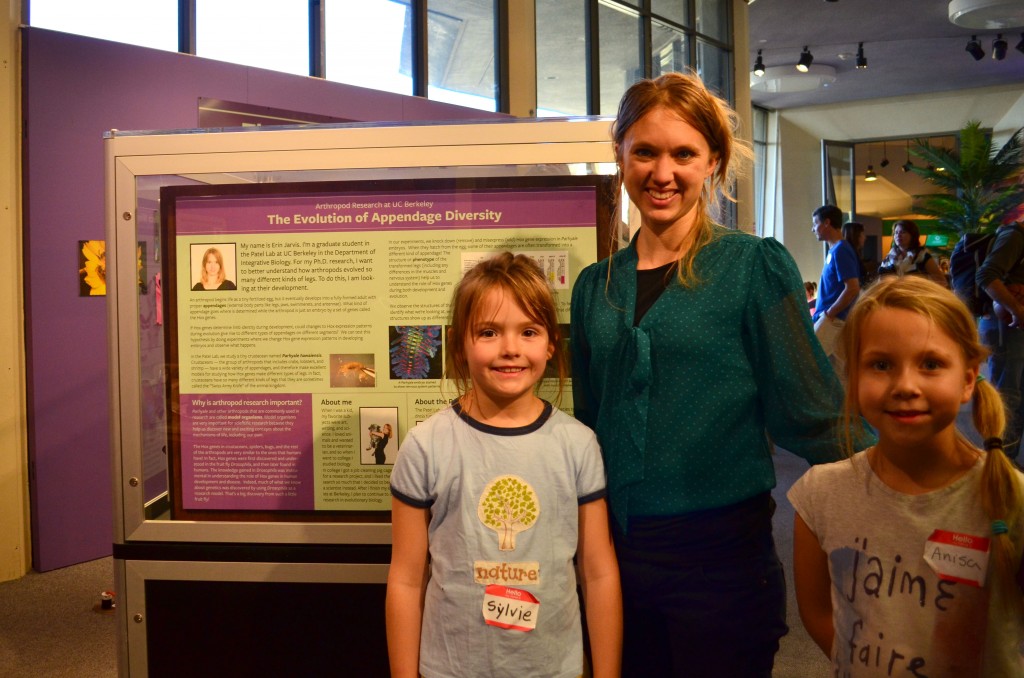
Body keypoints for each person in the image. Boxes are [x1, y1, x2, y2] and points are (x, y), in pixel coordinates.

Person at [570, 72, 860, 677]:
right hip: (616, 562)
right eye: (644, 151)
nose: (662, 172)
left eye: (684, 153)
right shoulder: (594, 288)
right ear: (619, 155)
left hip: (722, 564)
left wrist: (924, 474)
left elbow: (809, 411)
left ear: (713, 163)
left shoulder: (753, 266)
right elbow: (590, 429)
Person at [387, 252, 622, 678]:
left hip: (553, 668)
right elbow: (405, 579)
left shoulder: (578, 445)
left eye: (528, 331)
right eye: (489, 332)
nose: (510, 349)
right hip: (452, 669)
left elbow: (598, 571)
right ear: (460, 342)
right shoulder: (426, 446)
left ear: (551, 343)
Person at [788, 276, 1024, 676]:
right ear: (854, 376)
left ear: (968, 379)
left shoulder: (1008, 496)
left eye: (931, 364)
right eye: (881, 365)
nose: (905, 386)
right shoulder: (819, 495)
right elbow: (817, 612)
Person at [977, 219, 1024, 461]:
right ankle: (999, 463)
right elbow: (985, 275)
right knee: (1008, 396)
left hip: (1013, 328)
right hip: (1005, 327)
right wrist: (1016, 309)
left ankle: (1009, 461)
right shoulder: (1015, 236)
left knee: (1016, 395)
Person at [877, 219, 947, 287]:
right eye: (896, 232)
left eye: (903, 232)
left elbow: (942, 281)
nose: (898, 235)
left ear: (913, 235)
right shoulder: (889, 257)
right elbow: (880, 282)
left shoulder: (922, 256)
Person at [842, 220, 869, 286]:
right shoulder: (849, 254)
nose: (865, 238)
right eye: (862, 234)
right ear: (856, 236)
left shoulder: (853, 253)